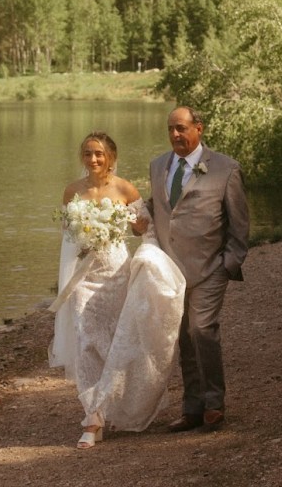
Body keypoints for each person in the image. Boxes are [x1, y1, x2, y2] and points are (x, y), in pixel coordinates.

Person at [49, 131, 185, 449]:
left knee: (115, 343)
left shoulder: (124, 188)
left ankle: (112, 403)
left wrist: (144, 248)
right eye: (87, 153)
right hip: (84, 278)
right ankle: (93, 417)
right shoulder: (72, 191)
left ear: (111, 156)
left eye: (99, 153)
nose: (93, 159)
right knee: (85, 342)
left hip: (116, 275)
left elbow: (146, 230)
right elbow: (68, 237)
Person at [147, 105, 250, 432]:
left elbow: (239, 224)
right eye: (171, 129)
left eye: (181, 128)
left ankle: (214, 405)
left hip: (210, 268)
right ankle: (192, 408)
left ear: (199, 128)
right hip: (170, 272)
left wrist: (228, 264)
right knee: (184, 337)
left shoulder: (226, 168)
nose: (175, 134)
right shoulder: (157, 166)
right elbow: (160, 209)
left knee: (201, 329)